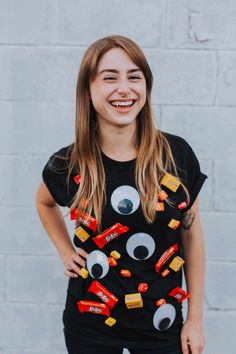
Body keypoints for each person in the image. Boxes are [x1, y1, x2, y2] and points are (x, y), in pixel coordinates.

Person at [35, 35, 207, 354]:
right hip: (90, 325)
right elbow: (44, 202)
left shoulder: (177, 156)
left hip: (162, 324)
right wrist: (64, 251)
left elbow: (192, 237)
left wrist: (195, 318)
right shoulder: (68, 164)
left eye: (134, 77)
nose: (124, 89)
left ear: (146, 87)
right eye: (110, 77)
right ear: (88, 88)